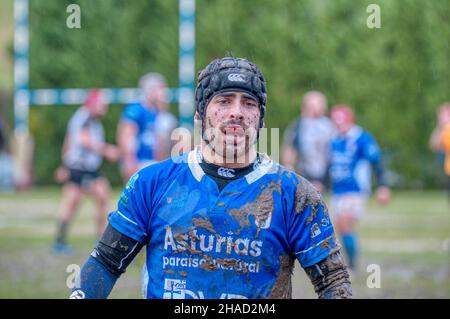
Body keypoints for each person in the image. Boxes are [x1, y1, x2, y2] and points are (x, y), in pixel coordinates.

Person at [70, 57, 351, 299]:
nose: (236, 112)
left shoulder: (295, 194)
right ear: (199, 114)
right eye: (224, 101)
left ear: (261, 118)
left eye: (249, 103)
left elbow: (333, 281)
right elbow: (106, 262)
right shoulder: (151, 183)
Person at [53, 90, 119, 254]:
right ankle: (60, 241)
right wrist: (106, 150)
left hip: (85, 167)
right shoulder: (86, 118)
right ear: (92, 104)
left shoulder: (88, 119)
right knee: (73, 202)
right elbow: (84, 141)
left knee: (101, 195)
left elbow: (68, 140)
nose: (105, 108)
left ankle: (99, 239)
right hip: (79, 167)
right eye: (102, 104)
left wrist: (63, 163)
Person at [328, 105, 391, 270]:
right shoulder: (335, 139)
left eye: (341, 123)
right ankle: (350, 261)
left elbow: (377, 161)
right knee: (340, 228)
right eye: (335, 123)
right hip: (338, 190)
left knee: (345, 223)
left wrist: (383, 186)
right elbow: (331, 165)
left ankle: (352, 265)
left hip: (356, 189)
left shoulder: (362, 138)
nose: (338, 126)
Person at [117, 73, 171, 182]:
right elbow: (126, 135)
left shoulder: (156, 112)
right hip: (138, 161)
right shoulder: (136, 109)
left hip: (151, 161)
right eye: (160, 89)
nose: (163, 94)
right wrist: (129, 161)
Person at [282, 91, 334, 193]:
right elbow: (289, 152)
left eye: (319, 107)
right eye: (312, 107)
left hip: (328, 177)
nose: (316, 111)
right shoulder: (297, 126)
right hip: (304, 175)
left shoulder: (330, 127)